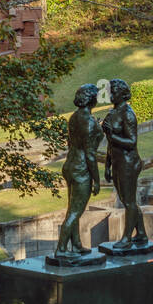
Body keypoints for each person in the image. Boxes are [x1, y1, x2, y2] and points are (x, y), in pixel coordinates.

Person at [54, 83, 103, 257]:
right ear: (92, 99)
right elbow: (90, 154)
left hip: (70, 165)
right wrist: (97, 180)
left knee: (72, 209)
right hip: (81, 168)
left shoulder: (74, 117)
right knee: (75, 212)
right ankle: (61, 249)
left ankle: (76, 244)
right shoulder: (89, 122)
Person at [102, 78, 147, 248]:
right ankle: (141, 234)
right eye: (110, 92)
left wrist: (111, 134)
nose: (111, 95)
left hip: (129, 162)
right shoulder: (112, 113)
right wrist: (107, 165)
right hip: (118, 161)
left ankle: (126, 238)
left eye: (113, 92)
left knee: (128, 202)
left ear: (122, 94)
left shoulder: (128, 114)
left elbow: (131, 142)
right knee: (129, 200)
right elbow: (110, 143)